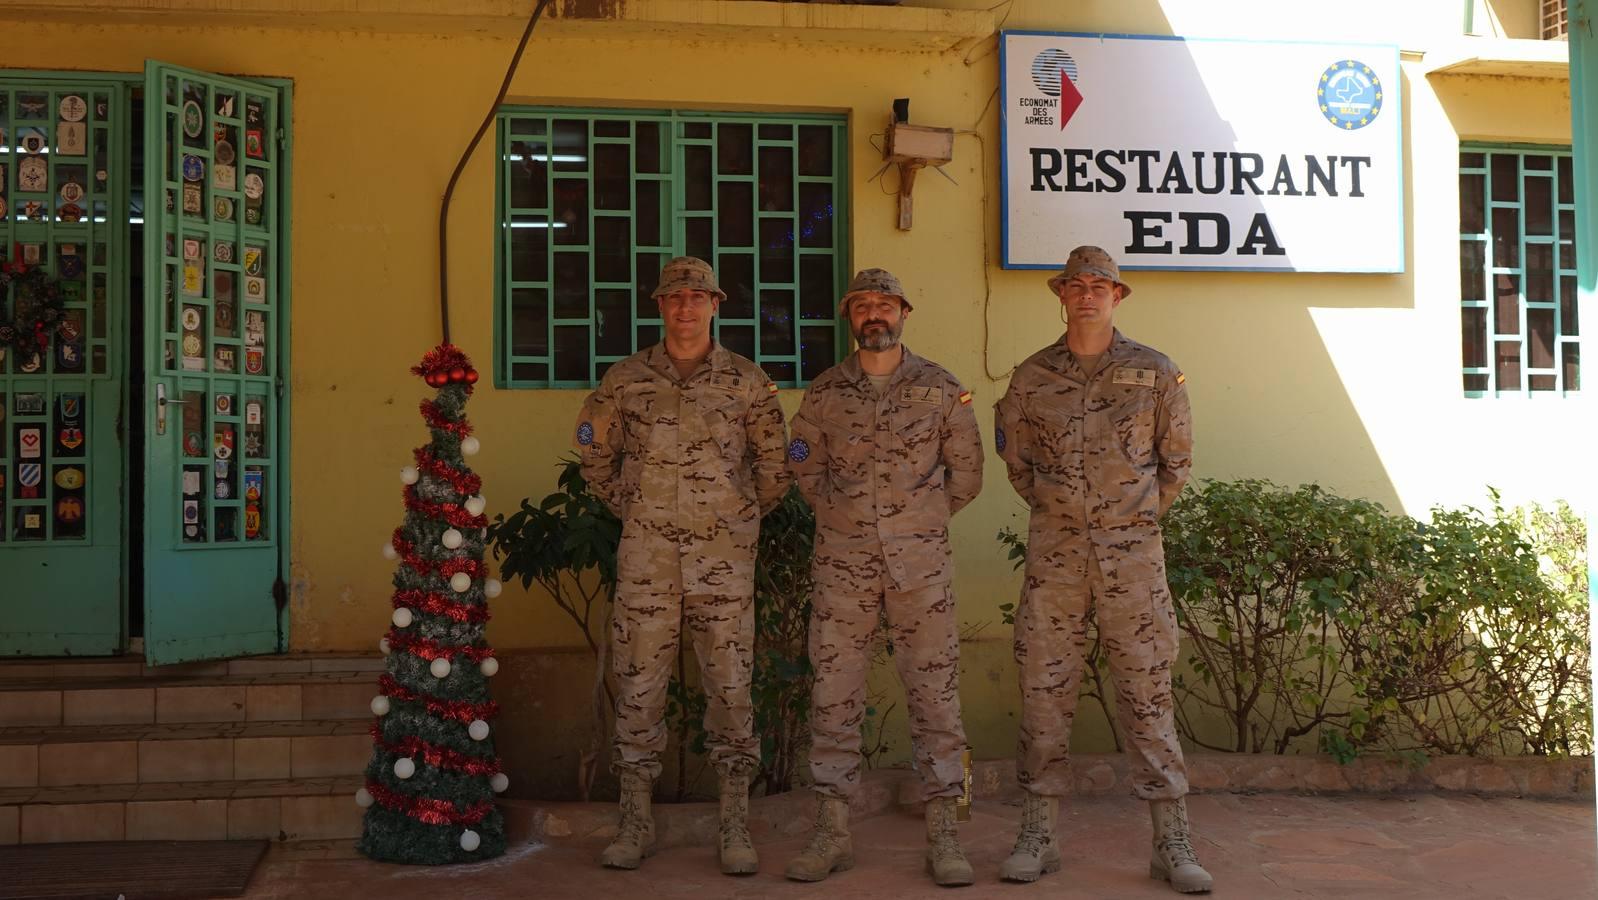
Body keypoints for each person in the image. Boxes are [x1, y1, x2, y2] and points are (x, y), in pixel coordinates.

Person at [992, 246, 1211, 893]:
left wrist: (1126, 520)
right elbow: (1019, 466)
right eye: (1076, 285)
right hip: (1056, 564)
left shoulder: (1155, 373)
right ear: (1060, 295)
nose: (1087, 295)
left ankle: (1171, 842)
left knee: (1147, 698)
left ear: (1119, 296)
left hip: (1133, 564)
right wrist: (1067, 516)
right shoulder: (1031, 378)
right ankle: (1038, 834)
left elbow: (1176, 464)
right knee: (1043, 696)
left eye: (1099, 286)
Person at [573, 256, 790, 875]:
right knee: (639, 687)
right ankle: (635, 821)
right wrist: (637, 507)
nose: (687, 307)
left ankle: (734, 823)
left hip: (724, 566)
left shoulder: (747, 382)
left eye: (698, 298)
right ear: (660, 306)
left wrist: (735, 519)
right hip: (648, 563)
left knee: (730, 687)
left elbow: (775, 470)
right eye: (675, 298)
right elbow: (594, 457)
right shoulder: (624, 380)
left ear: (716, 305)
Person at [783, 268, 984, 886]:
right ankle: (830, 833)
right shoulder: (822, 394)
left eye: (886, 304)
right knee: (835, 695)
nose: (875, 314)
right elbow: (803, 468)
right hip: (843, 567)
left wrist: (915, 522)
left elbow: (967, 474)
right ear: (850, 317)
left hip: (919, 571)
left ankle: (944, 834)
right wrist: (847, 521)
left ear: (904, 312)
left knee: (935, 696)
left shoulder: (942, 387)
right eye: (863, 305)